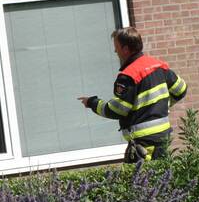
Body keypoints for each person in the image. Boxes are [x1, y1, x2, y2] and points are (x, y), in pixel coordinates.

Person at [78, 27, 187, 163]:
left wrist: (92, 103)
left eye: (116, 47)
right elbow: (181, 89)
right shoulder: (158, 66)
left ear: (125, 49)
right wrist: (159, 105)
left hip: (143, 142)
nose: (115, 51)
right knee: (163, 178)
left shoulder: (128, 76)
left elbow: (117, 110)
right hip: (163, 136)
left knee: (142, 181)